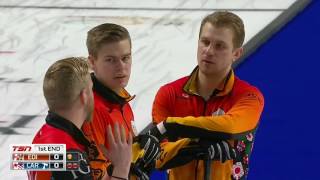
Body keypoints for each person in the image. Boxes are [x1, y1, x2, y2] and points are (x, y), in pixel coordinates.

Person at [150, 11, 265, 180]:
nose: (209, 51)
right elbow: (156, 156)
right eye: (205, 42)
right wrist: (195, 144)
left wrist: (172, 124)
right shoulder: (169, 93)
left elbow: (231, 126)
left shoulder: (249, 96)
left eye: (220, 46)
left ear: (237, 53)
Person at [28, 57, 132, 180]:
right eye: (91, 89)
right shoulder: (70, 158)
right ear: (84, 96)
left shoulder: (39, 136)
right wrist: (122, 168)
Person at [82, 23, 160, 180]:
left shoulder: (120, 98)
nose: (121, 67)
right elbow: (95, 174)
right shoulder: (91, 110)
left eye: (126, 58)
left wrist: (139, 145)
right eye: (110, 60)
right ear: (92, 62)